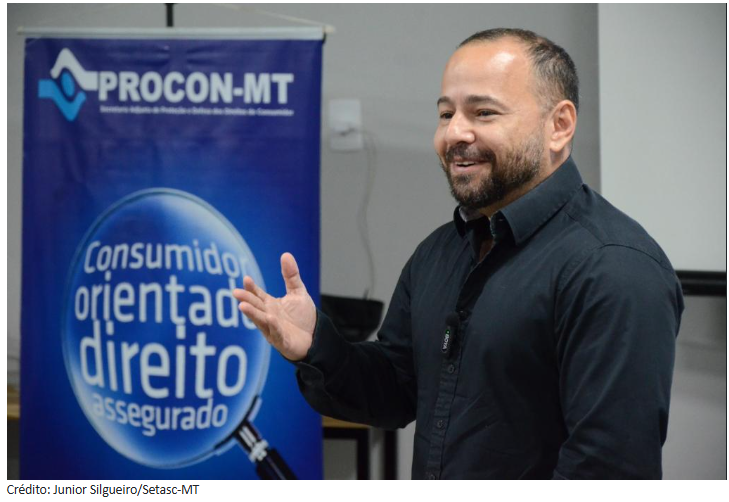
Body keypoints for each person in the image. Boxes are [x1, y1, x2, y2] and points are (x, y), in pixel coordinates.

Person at [233, 28, 684, 480]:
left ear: (559, 125)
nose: (454, 133)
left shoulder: (614, 268)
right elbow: (395, 389)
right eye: (446, 113)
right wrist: (317, 346)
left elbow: (607, 469)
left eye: (484, 112)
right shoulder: (438, 253)